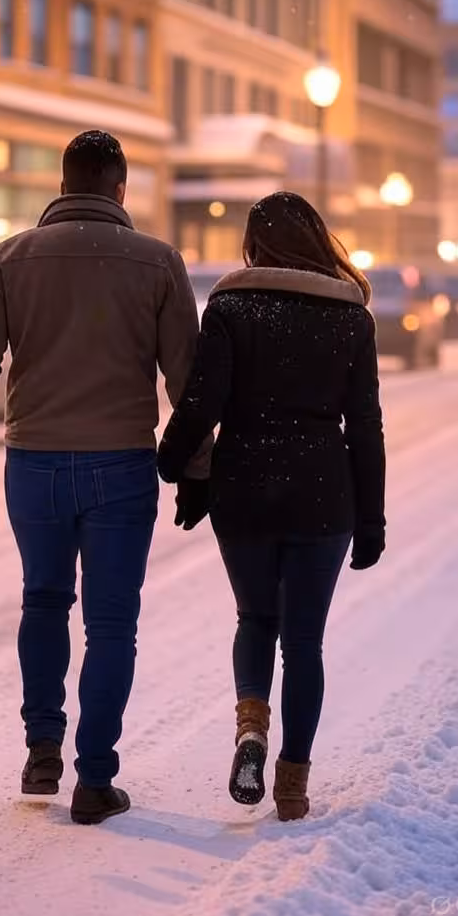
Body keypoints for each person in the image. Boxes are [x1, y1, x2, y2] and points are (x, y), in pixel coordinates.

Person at [0, 130, 211, 825]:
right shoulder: (157, 262)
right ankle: (94, 779)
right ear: (119, 189)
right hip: (121, 463)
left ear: (61, 186)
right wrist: (198, 470)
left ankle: (42, 745)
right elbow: (186, 379)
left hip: (36, 464)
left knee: (44, 602)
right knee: (112, 622)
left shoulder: (10, 258)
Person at [157, 192, 386, 821]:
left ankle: (251, 727)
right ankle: (292, 785)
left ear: (254, 244)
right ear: (318, 240)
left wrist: (173, 465)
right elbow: (365, 426)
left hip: (245, 487)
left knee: (255, 619)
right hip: (323, 491)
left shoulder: (231, 306)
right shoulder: (351, 320)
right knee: (304, 643)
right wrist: (372, 519)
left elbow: (203, 402)